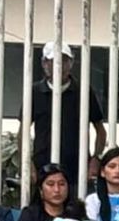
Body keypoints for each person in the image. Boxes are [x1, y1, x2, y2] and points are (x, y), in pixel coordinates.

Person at [29, 43, 106, 187]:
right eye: (54, 61)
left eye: (64, 60)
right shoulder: (35, 91)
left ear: (71, 63)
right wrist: (28, 164)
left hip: (77, 168)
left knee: (78, 201)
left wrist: (96, 159)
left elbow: (100, 130)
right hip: (42, 166)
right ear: (44, 63)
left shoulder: (83, 91)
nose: (60, 66)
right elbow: (22, 131)